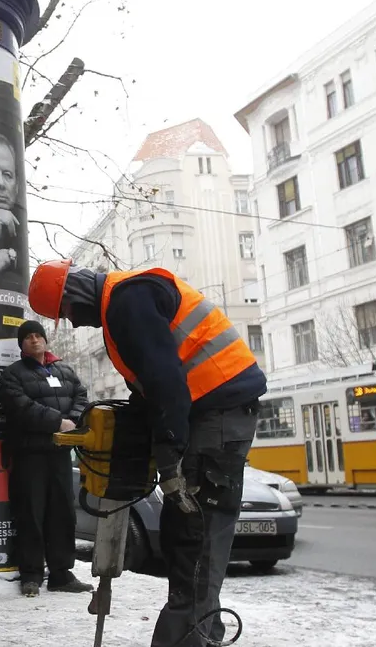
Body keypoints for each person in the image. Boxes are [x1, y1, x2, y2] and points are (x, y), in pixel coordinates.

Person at [27, 260, 266, 647]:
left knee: (194, 534)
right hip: (213, 410)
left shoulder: (129, 301)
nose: (72, 321)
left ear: (75, 294)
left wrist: (167, 446)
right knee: (185, 533)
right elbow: (152, 386)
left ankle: (188, 639)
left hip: (219, 410)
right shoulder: (121, 305)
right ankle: (202, 634)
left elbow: (164, 378)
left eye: (66, 312)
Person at [0, 320, 93, 598]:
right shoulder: (13, 374)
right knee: (31, 514)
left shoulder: (64, 370)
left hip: (60, 453)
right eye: (28, 337)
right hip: (30, 455)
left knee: (63, 515)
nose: (34, 340)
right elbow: (22, 407)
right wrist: (57, 422)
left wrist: (72, 421)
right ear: (21, 344)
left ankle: (61, 574)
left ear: (45, 340)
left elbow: (81, 396)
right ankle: (31, 575)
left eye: (38, 335)